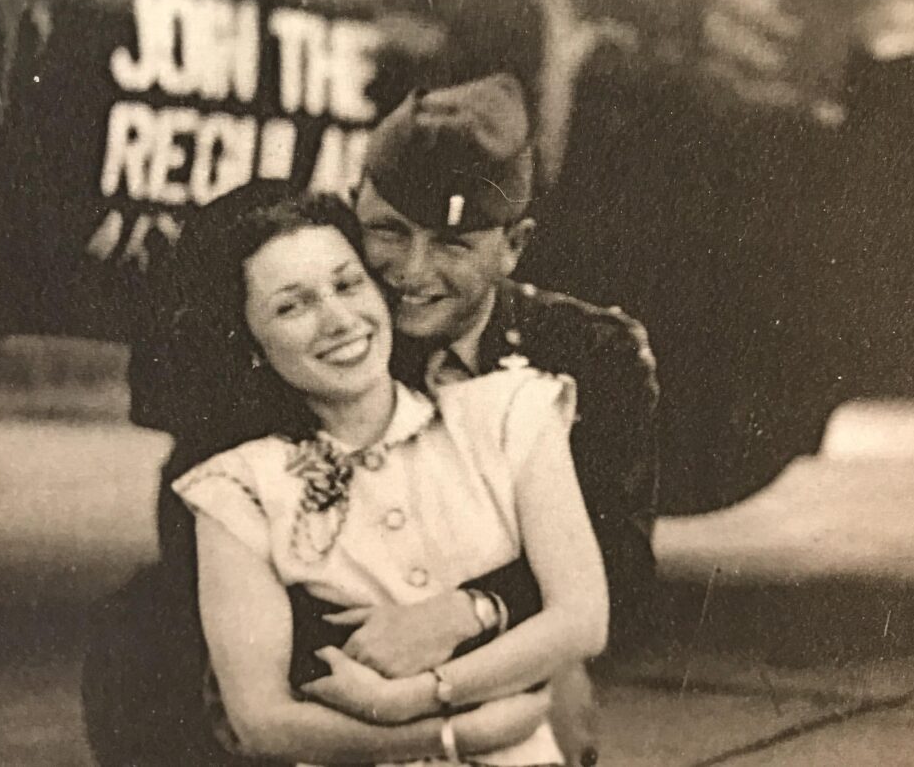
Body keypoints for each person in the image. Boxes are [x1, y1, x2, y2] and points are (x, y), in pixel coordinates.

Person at [83, 73, 658, 767]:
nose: (411, 272)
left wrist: (463, 614)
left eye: (453, 244)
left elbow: (616, 567)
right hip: (330, 636)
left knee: (557, 716)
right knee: (150, 639)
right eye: (388, 231)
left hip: (503, 641)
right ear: (357, 205)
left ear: (513, 244)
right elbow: (205, 513)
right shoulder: (329, 333)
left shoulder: (583, 354)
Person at [174, 192, 605, 765]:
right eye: (292, 307)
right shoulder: (238, 489)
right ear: (253, 343)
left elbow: (583, 619)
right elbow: (261, 721)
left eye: (348, 284)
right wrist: (447, 736)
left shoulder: (510, 413)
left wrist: (420, 696)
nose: (338, 320)